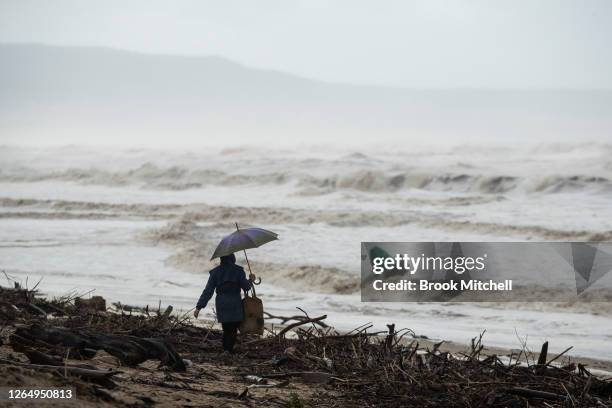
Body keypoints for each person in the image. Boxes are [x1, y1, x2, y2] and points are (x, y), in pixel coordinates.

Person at [193, 253, 255, 353]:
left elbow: (208, 291)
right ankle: (228, 349)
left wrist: (199, 307)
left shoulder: (215, 272)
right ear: (232, 258)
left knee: (226, 328)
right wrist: (251, 280)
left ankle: (226, 349)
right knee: (233, 328)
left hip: (222, 304)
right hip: (235, 303)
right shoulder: (238, 271)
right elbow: (246, 287)